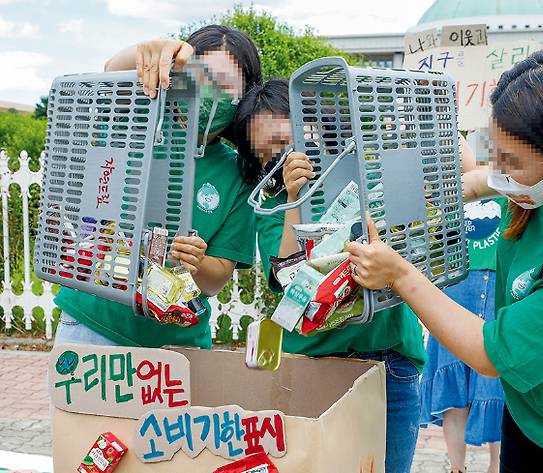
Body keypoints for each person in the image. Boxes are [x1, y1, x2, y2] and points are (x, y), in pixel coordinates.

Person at [347, 46, 543, 472]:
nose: (500, 171)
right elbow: (481, 182)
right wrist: (450, 189)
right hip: (534, 418)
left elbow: (488, 353)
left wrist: (400, 274)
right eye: (495, 153)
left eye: (511, 163)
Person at [233, 79, 477, 473]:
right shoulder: (274, 206)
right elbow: (289, 282)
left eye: (286, 140)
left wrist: (432, 113)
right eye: (268, 154)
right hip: (318, 364)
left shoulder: (367, 170)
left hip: (390, 359)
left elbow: (462, 172)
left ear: (313, 123)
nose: (282, 157)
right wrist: (296, 199)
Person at [54, 25, 264, 349]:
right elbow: (112, 70)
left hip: (175, 341)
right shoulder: (139, 118)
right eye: (203, 78)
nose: (212, 93)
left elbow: (215, 280)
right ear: (180, 75)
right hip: (91, 321)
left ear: (245, 97)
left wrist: (198, 260)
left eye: (226, 85)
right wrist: (153, 49)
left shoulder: (238, 173)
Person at [420, 197, 506, 473]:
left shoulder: (513, 188)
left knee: (499, 385)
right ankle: (457, 468)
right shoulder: (449, 188)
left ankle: (497, 466)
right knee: (452, 386)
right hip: (456, 285)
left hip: (500, 287)